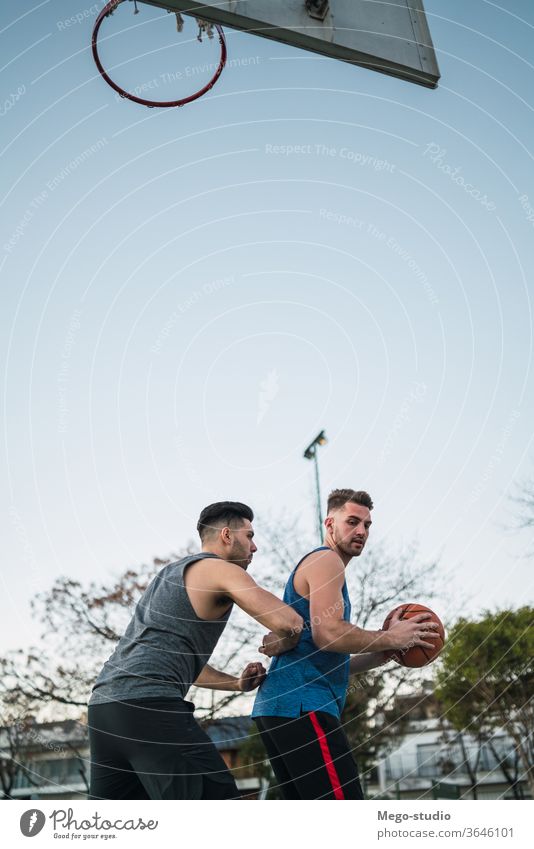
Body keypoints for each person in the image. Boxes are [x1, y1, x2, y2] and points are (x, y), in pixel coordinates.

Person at [88, 501, 303, 800]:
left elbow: (179, 662)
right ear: (227, 536)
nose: (254, 547)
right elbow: (290, 622)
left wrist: (234, 684)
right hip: (148, 707)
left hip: (104, 711)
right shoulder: (220, 569)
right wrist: (282, 642)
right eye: (250, 536)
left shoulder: (169, 575)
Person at [252, 488, 441, 800]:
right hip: (302, 707)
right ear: (330, 524)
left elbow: (327, 655)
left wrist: (382, 653)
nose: (361, 531)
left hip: (281, 708)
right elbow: (328, 635)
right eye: (352, 522)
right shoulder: (326, 561)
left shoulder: (328, 567)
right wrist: (391, 636)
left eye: (367, 525)